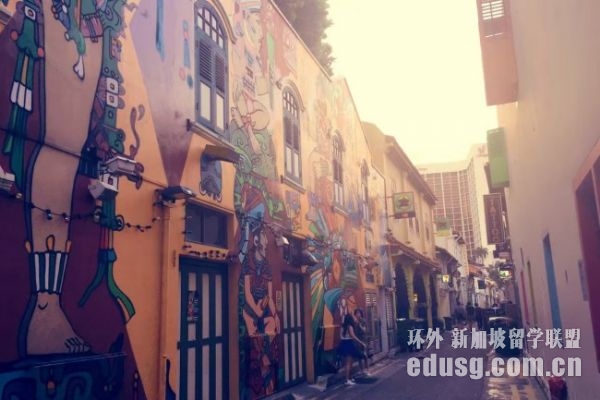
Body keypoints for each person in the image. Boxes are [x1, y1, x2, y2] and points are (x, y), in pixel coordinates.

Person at [338, 313, 365, 385]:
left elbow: (340, 336)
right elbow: (353, 336)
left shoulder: (342, 327)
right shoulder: (350, 326)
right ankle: (347, 379)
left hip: (343, 344)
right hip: (349, 343)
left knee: (348, 362)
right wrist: (361, 342)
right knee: (349, 363)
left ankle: (349, 378)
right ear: (350, 319)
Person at [353, 308, 370, 376]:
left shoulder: (363, 321)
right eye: (356, 313)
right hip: (357, 339)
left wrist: (359, 325)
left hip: (363, 339)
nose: (358, 314)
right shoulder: (354, 321)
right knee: (359, 356)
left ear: (361, 314)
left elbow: (364, 330)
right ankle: (361, 370)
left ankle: (367, 370)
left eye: (359, 313)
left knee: (365, 355)